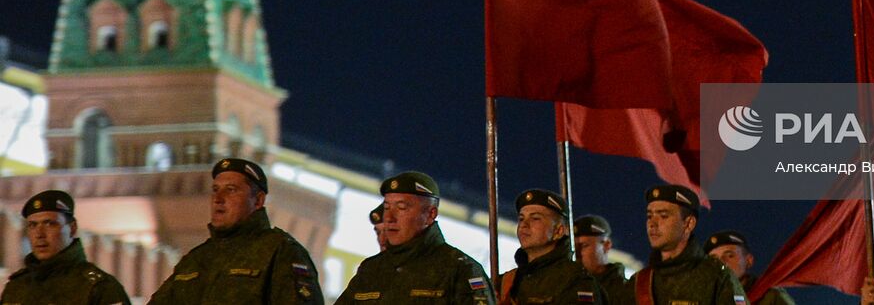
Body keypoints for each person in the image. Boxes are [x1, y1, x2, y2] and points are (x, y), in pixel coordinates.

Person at [149, 157, 322, 304]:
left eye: (231, 190)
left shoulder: (280, 253)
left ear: (258, 200)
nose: (218, 199)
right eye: (215, 190)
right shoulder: (195, 260)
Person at [335, 170, 495, 305]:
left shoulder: (459, 270)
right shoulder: (371, 270)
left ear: (430, 215)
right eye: (387, 207)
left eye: (401, 208)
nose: (389, 217)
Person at [0, 190, 131, 304]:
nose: (39, 234)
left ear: (72, 229)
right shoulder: (16, 286)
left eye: (50, 224)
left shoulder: (98, 287)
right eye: (33, 225)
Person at [626, 184, 747, 305]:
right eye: (649, 216)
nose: (652, 223)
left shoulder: (717, 277)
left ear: (689, 224)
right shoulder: (639, 282)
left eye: (663, 216)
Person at [496, 188, 597, 304]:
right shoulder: (506, 283)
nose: (524, 225)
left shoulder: (576, 282)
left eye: (535, 218)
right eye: (521, 218)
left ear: (558, 231)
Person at [704, 230, 795, 305]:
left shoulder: (769, 295)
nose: (721, 262)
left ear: (749, 261)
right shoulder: (704, 296)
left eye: (730, 256)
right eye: (714, 259)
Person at [576, 215, 628, 305]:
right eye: (574, 248)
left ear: (606, 245)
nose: (577, 254)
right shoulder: (568, 286)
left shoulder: (624, 291)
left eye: (584, 246)